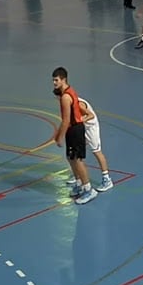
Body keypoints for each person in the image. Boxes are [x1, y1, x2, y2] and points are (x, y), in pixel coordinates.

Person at [51, 67, 97, 205]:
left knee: (77, 160)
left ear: (63, 79)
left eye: (56, 80)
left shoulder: (65, 97)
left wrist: (59, 136)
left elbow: (66, 120)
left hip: (75, 130)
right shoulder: (69, 91)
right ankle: (79, 183)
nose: (54, 82)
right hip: (73, 129)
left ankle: (89, 189)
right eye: (53, 80)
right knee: (71, 158)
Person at [64, 95, 114, 196]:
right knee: (74, 154)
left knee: (97, 151)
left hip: (90, 128)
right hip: (80, 128)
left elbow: (91, 115)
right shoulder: (66, 102)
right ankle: (77, 176)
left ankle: (107, 179)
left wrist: (79, 120)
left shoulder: (79, 104)